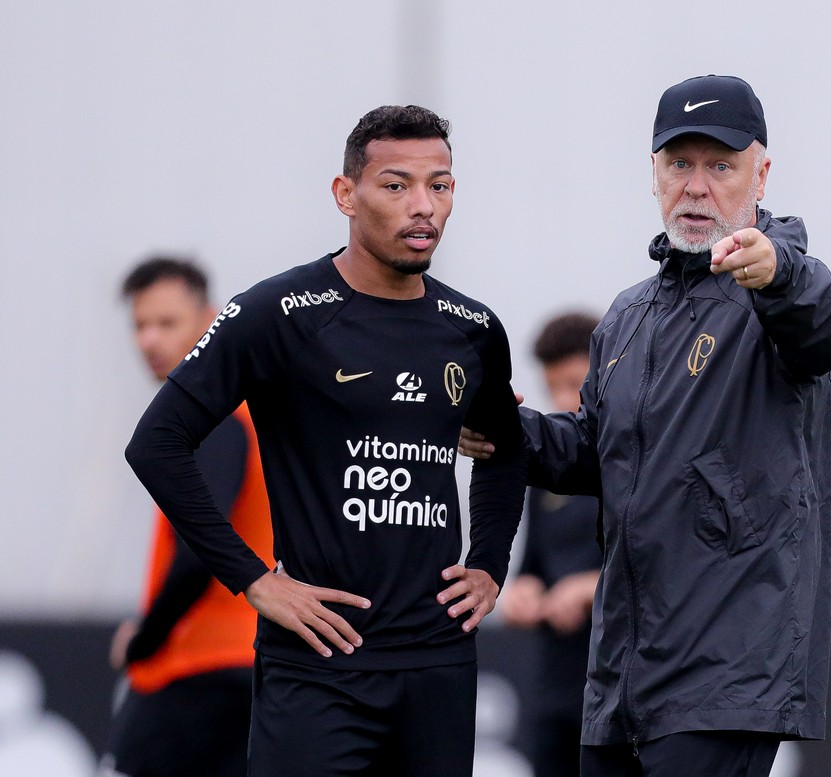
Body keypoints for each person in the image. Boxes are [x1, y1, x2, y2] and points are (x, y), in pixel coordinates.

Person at [460, 75, 831, 777]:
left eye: (720, 164)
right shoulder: (626, 316)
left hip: (727, 675)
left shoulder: (779, 286)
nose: (696, 185)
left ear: (761, 173)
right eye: (680, 163)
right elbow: (591, 452)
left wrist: (779, 274)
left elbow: (824, 326)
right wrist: (504, 427)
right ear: (653, 174)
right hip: (619, 677)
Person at [124, 105, 528, 777]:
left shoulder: (473, 326)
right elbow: (156, 444)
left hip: (436, 663)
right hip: (316, 663)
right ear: (347, 194)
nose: (423, 206)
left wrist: (488, 561)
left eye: (441, 185)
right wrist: (253, 579)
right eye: (396, 185)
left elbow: (504, 446)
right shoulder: (277, 313)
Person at [101, 257, 274, 777]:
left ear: (210, 320)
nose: (148, 339)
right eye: (139, 324)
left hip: (195, 668)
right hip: (247, 668)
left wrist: (145, 637)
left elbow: (201, 547)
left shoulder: (213, 418)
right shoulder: (243, 412)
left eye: (167, 322)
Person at [498, 311, 602, 777]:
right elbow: (533, 564)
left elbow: (676, 568)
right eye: (552, 387)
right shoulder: (549, 470)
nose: (563, 400)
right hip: (555, 686)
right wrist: (520, 590)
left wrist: (590, 589)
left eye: (575, 383)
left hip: (623, 691)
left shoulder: (645, 464)